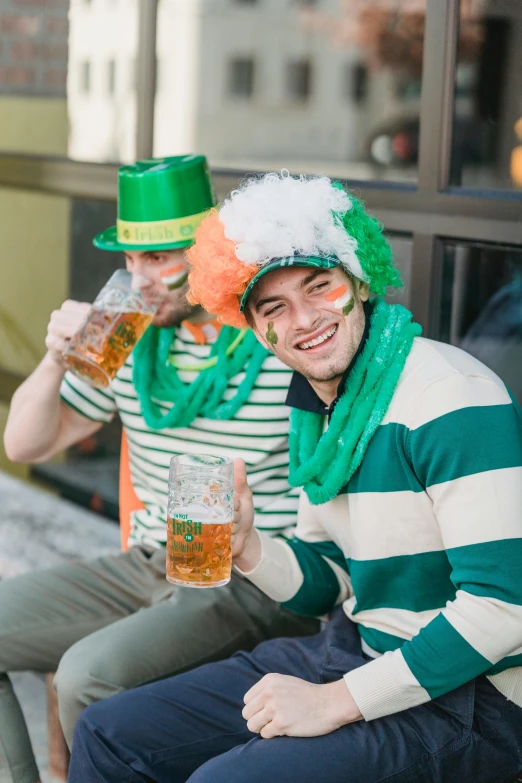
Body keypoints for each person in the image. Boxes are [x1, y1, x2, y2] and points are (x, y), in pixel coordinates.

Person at [69, 172, 522, 783]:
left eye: (320, 286)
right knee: (109, 730)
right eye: (274, 307)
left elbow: (504, 609)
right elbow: (327, 579)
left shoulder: (450, 395)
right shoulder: (316, 404)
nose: (304, 319)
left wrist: (335, 702)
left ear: (359, 281)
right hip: (353, 648)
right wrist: (249, 548)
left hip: (475, 696)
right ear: (257, 330)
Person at [0, 158, 317, 783]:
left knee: (84, 675)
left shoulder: (276, 338)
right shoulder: (130, 337)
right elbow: (25, 445)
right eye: (130, 261)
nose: (139, 280)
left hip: (253, 573)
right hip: (153, 559)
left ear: (209, 253)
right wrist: (55, 360)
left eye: (160, 260)